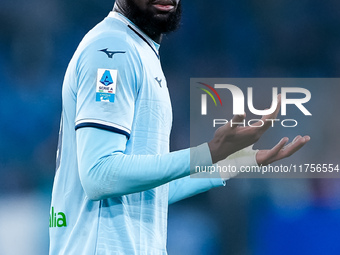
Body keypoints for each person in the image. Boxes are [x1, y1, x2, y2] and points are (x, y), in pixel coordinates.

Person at [49, 0, 310, 254]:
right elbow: (98, 176)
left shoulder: (138, 50)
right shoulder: (113, 51)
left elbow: (151, 192)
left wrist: (236, 161)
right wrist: (209, 151)